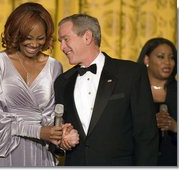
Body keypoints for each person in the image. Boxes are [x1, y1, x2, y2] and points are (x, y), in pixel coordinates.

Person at [0, 2, 78, 166]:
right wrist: (37, 131)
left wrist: (60, 132)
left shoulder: (54, 66)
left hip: (39, 153)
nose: (34, 44)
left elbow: (52, 116)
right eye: (28, 38)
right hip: (3, 151)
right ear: (15, 34)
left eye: (40, 38)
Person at [54, 13, 159, 166]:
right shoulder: (62, 82)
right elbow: (57, 134)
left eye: (66, 39)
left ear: (87, 37)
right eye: (60, 41)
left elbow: (146, 135)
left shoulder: (131, 73)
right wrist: (61, 140)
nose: (62, 47)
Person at [137, 37, 177, 166]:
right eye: (161, 57)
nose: (168, 62)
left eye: (171, 58)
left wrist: (175, 127)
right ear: (146, 59)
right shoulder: (133, 91)